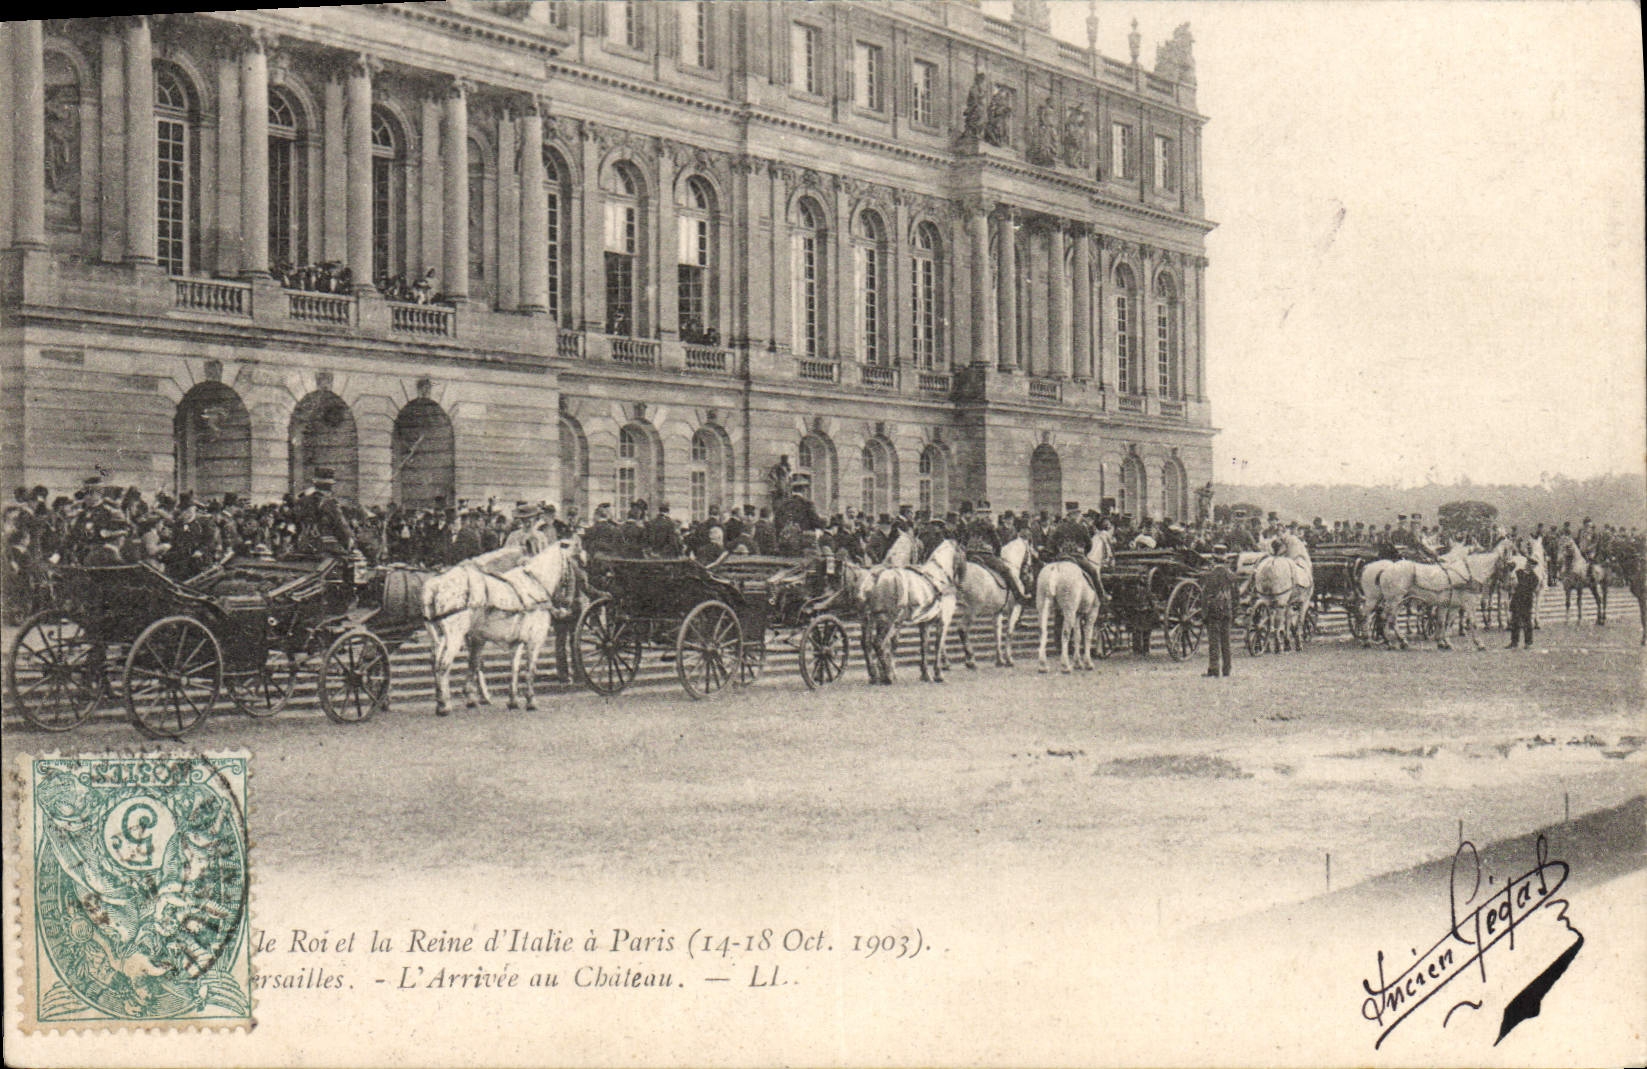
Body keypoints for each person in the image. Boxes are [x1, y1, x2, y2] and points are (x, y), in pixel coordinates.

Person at [1201, 553, 1237, 677]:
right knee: (1226, 642)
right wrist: (1234, 613)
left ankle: (1214, 668)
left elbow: (1205, 596)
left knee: (1214, 642)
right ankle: (1227, 669)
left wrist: (1204, 614)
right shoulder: (1231, 575)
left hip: (1213, 611)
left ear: (1214, 560)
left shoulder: (1210, 575)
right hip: (1227, 611)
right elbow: (1236, 595)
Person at [1507, 560, 1539, 649]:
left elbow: (1531, 589)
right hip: (1517, 600)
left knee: (1527, 622)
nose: (1528, 566)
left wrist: (1520, 586)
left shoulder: (1535, 577)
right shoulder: (1518, 572)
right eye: (1528, 564)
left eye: (1531, 565)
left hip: (1526, 602)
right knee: (1515, 622)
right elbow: (1512, 581)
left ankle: (1528, 642)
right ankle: (1514, 642)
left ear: (1534, 567)